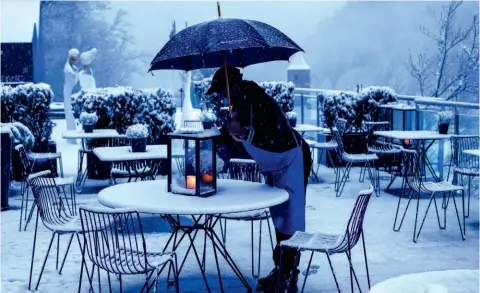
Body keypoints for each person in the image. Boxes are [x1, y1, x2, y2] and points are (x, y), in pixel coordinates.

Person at [207, 66, 312, 293]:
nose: (221, 97)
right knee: (279, 220)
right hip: (275, 167)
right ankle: (281, 269)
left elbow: (275, 136)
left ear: (234, 86)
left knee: (291, 223)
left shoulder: (261, 101)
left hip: (293, 159)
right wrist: (213, 140)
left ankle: (287, 277)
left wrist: (244, 133)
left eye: (222, 92)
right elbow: (232, 134)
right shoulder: (240, 107)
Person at [63, 48, 79, 144]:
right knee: (69, 113)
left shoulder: (74, 69)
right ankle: (71, 137)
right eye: (73, 58)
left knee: (71, 113)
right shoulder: (68, 69)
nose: (74, 60)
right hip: (68, 92)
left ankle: (72, 137)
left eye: (75, 58)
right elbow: (71, 79)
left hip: (71, 92)